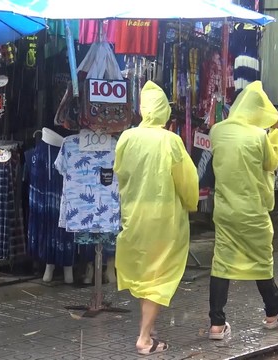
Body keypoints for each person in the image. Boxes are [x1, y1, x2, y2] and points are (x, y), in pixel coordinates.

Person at [207, 81, 278, 340]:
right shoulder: (259, 135)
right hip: (252, 211)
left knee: (222, 263)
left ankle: (217, 325)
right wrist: (275, 132)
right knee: (262, 260)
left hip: (225, 210)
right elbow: (270, 162)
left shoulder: (217, 131)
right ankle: (273, 313)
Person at [114, 81, 199, 355]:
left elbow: (121, 174)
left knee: (143, 272)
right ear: (164, 111)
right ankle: (144, 339)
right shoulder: (171, 141)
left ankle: (148, 328)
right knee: (159, 276)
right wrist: (191, 203)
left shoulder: (127, 137)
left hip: (135, 215)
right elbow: (186, 181)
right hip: (164, 219)